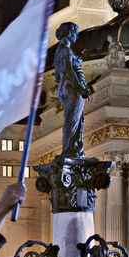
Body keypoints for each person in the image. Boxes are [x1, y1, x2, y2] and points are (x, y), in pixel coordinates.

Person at [54, 21, 89, 157]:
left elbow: (57, 77)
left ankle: (70, 148)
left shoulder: (59, 51)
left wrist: (75, 63)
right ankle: (70, 151)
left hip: (64, 89)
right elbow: (69, 70)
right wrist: (81, 88)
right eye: (76, 33)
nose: (77, 36)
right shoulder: (66, 50)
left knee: (71, 119)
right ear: (69, 33)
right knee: (73, 120)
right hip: (71, 89)